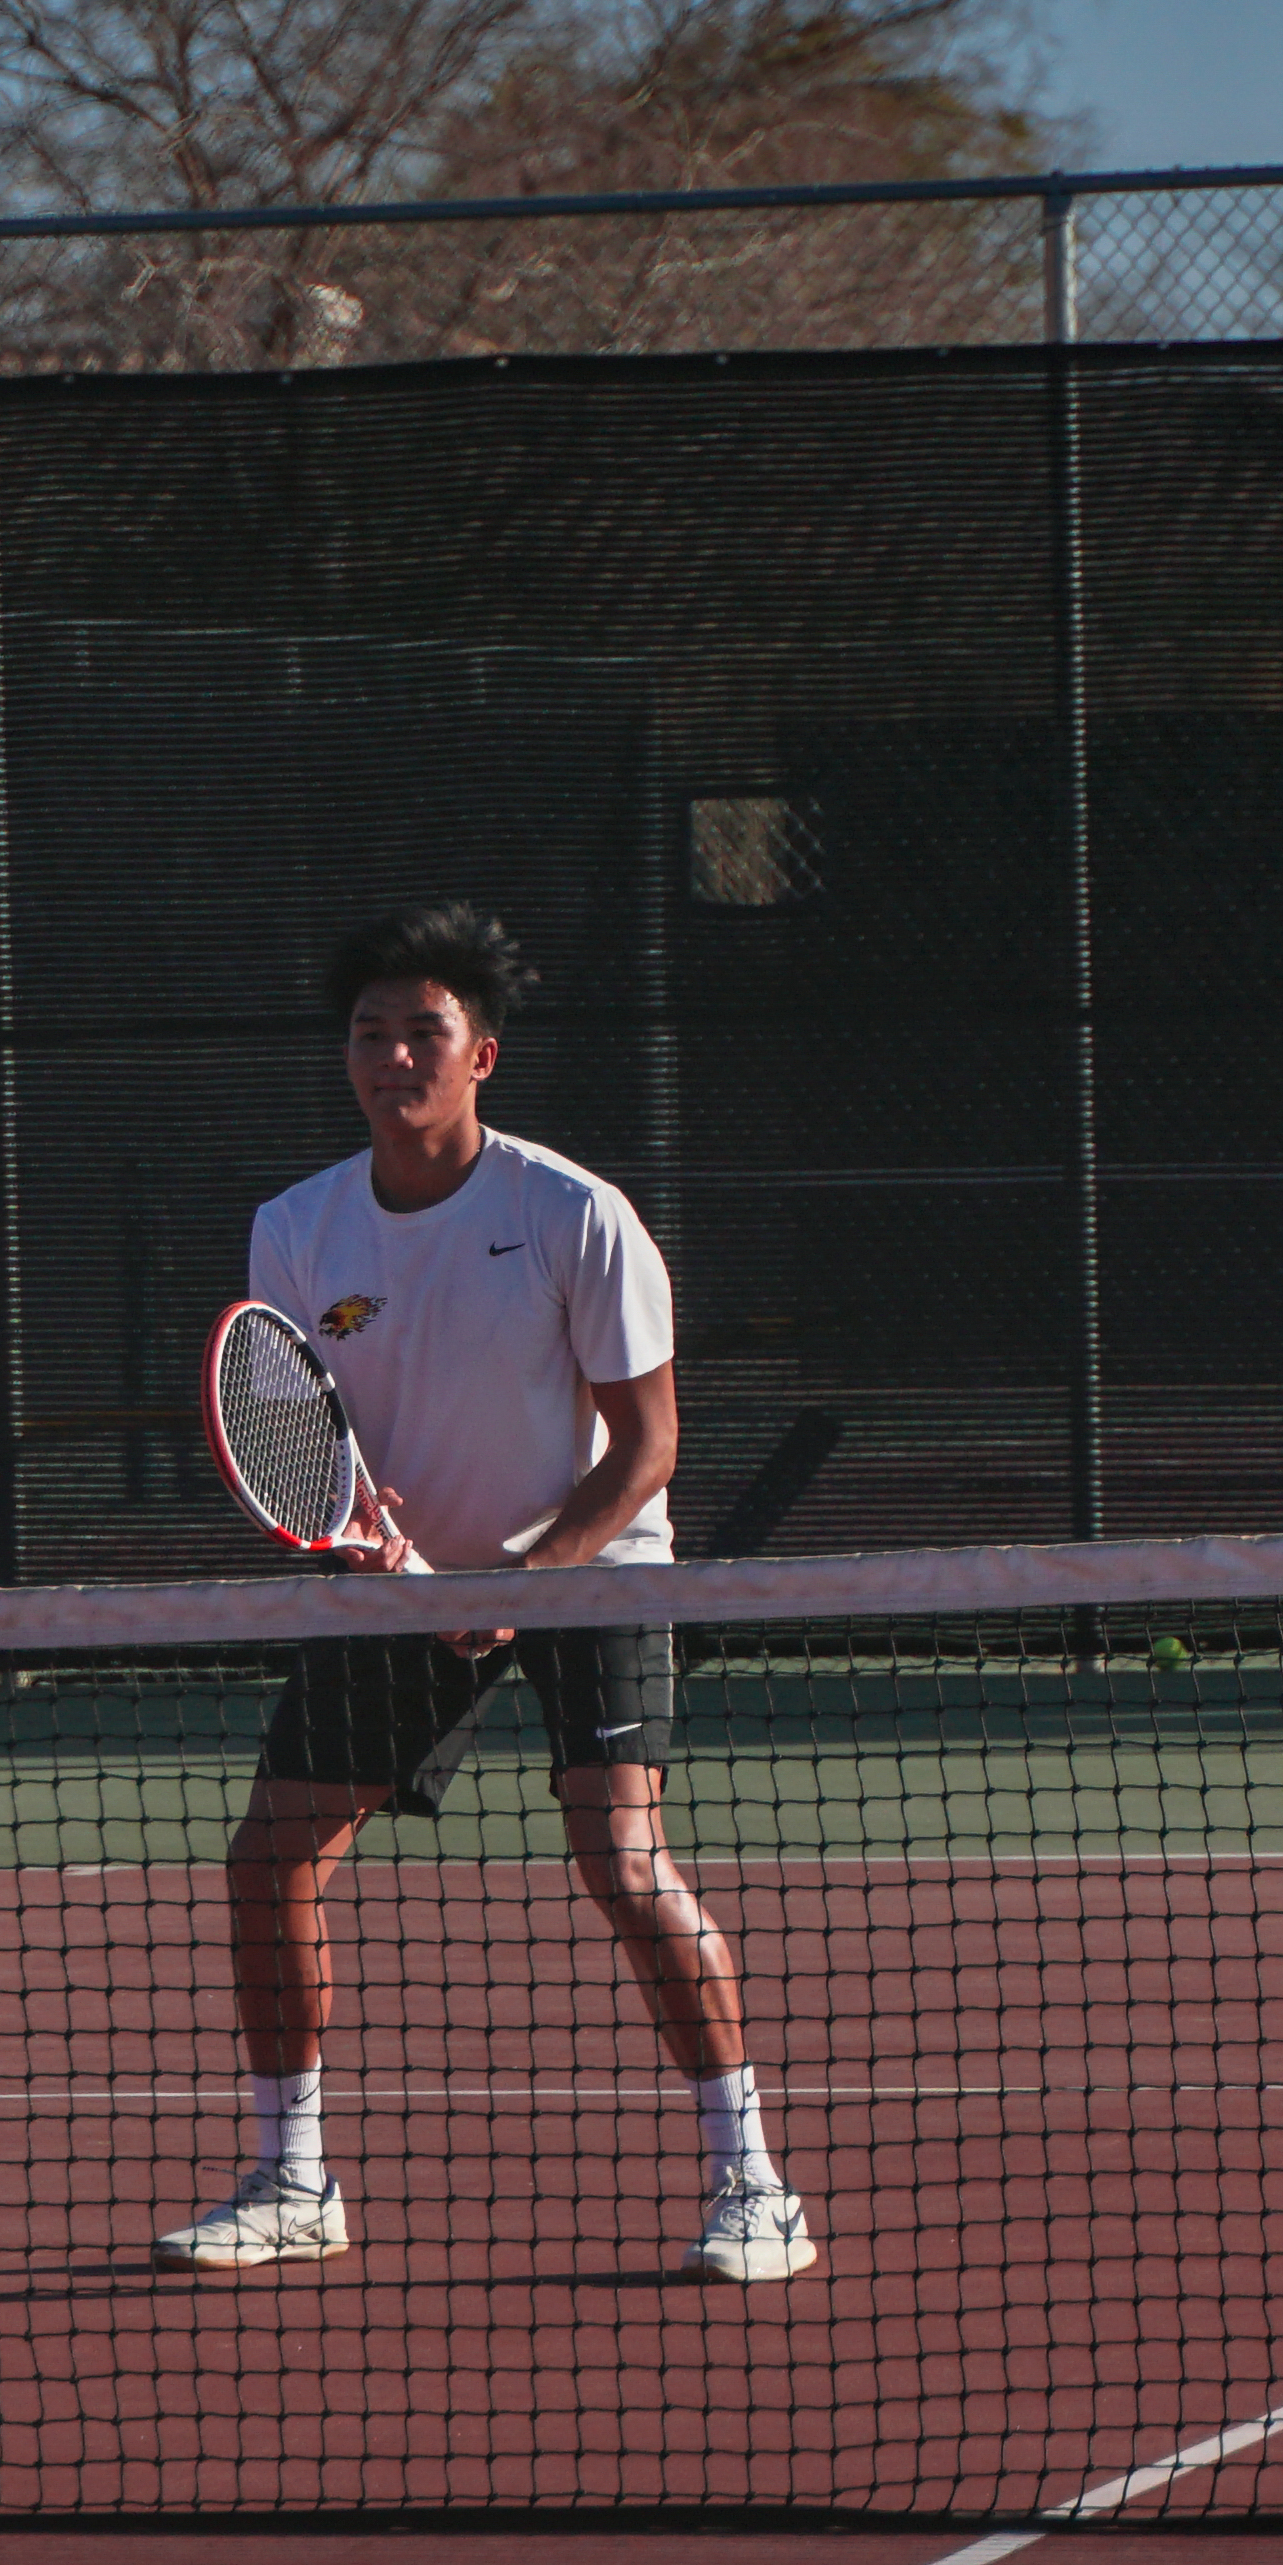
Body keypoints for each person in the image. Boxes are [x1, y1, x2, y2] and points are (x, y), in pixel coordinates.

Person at [158, 901, 816, 2284]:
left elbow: (649, 1449)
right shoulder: (296, 1229)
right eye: (370, 1033)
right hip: (407, 1590)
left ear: (483, 1056)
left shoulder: (572, 1213)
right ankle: (294, 2178)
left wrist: (527, 1582)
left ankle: (754, 2185)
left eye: (424, 1033)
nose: (393, 1057)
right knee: (269, 1861)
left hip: (594, 1574)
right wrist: (372, 1547)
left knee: (619, 1862)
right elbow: (311, 1442)